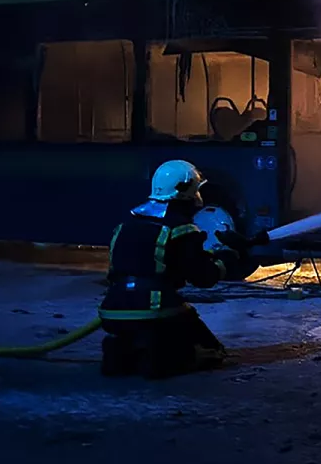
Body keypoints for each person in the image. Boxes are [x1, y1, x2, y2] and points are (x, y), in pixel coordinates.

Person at [98, 159, 268, 379]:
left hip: (112, 310)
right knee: (210, 350)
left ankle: (124, 353)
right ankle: (163, 358)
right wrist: (227, 259)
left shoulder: (127, 224)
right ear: (186, 191)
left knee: (136, 335)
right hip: (155, 309)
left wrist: (210, 254)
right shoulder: (181, 228)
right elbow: (203, 277)